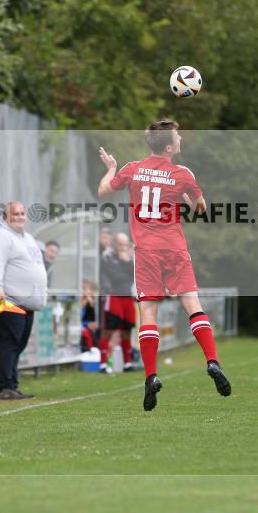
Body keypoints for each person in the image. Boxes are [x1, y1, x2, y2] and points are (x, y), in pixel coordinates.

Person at [98, 119, 231, 411]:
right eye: (178, 136)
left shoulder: (132, 168)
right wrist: (181, 195)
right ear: (169, 146)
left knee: (148, 310)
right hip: (174, 249)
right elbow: (201, 208)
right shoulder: (183, 173)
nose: (181, 138)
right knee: (192, 304)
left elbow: (104, 191)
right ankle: (211, 361)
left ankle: (151, 376)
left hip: (146, 251)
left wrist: (110, 168)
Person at [0, 201, 47, 400]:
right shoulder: (1, 235)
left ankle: (12, 384)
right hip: (8, 300)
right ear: (5, 217)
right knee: (9, 342)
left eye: (22, 213)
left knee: (18, 345)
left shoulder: (27, 238)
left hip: (26, 303)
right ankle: (4, 387)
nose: (19, 217)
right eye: (14, 214)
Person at [99, 232, 137, 372]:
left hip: (128, 297)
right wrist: (124, 265)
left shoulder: (129, 258)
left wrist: (126, 261)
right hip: (114, 296)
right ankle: (103, 364)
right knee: (109, 330)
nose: (123, 247)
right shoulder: (107, 256)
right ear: (114, 244)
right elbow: (115, 277)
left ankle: (127, 363)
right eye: (120, 244)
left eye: (125, 244)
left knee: (127, 330)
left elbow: (134, 275)